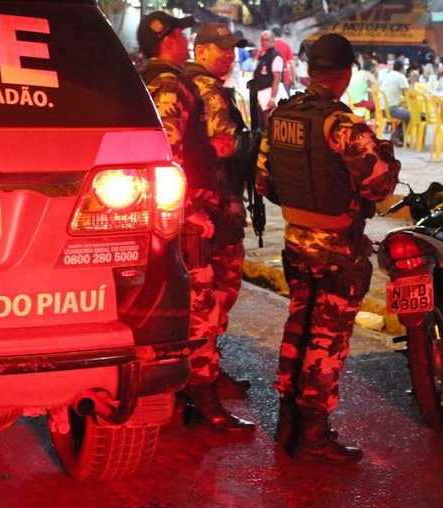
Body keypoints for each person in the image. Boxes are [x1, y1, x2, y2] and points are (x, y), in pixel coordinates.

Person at [255, 33, 400, 463]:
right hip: (337, 246)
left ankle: (286, 422)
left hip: (297, 240)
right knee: (328, 338)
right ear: (346, 73)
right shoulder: (342, 125)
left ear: (311, 70)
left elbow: (264, 182)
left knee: (298, 326)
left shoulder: (283, 115)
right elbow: (379, 183)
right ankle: (314, 432)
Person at [137, 11, 255, 434]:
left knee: (186, 304)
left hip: (170, 213)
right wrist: (190, 211)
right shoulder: (170, 84)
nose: (186, 41)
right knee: (201, 304)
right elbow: (166, 154)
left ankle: (192, 381)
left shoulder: (146, 78)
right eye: (182, 35)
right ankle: (202, 398)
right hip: (186, 215)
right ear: (167, 40)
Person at [184, 22, 256, 396]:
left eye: (231, 49)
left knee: (195, 296)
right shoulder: (208, 89)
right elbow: (224, 146)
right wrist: (249, 146)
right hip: (216, 204)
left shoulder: (181, 84)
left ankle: (198, 370)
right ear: (201, 50)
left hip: (192, 206)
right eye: (221, 48)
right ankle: (203, 377)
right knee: (218, 293)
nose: (228, 54)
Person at [251, 29, 287, 124]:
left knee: (270, 121)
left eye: (266, 40)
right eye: (262, 40)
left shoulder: (276, 56)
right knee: (264, 121)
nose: (263, 42)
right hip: (262, 92)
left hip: (269, 92)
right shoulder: (262, 54)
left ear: (272, 41)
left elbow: (277, 78)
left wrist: (272, 98)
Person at [379, 59, 410, 146]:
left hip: (383, 108)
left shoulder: (390, 75)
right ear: (402, 68)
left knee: (407, 114)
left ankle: (400, 138)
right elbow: (408, 94)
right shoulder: (401, 77)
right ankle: (396, 136)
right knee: (410, 115)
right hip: (391, 109)